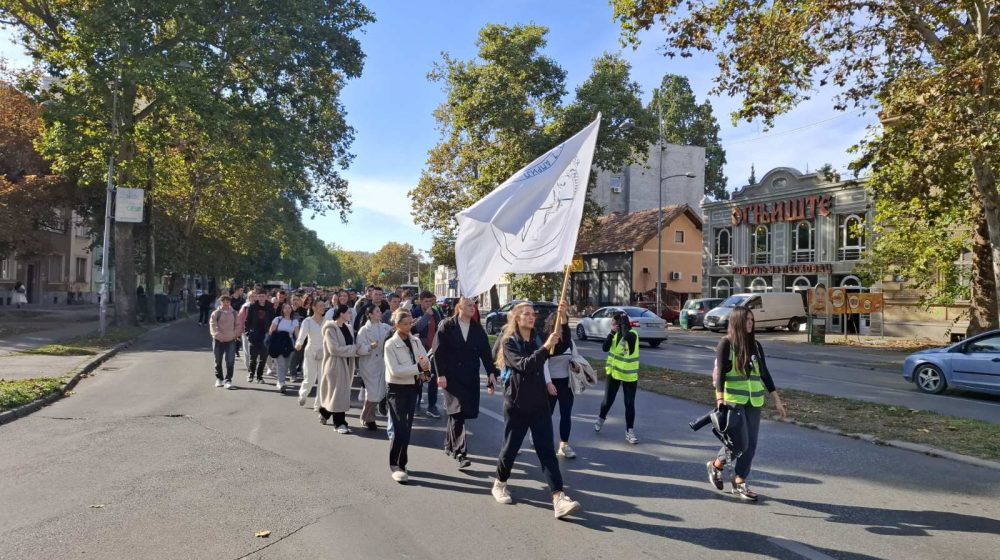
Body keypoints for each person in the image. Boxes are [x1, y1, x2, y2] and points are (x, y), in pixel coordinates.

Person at [491, 301, 581, 519]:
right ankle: (499, 483)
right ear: (517, 318)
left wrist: (564, 319)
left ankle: (558, 497)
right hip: (518, 404)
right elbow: (524, 365)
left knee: (546, 452)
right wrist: (543, 348)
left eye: (533, 314)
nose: (532, 317)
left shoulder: (538, 338)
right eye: (527, 314)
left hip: (539, 403)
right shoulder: (509, 342)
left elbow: (559, 347)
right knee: (510, 448)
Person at [706, 307, 786, 501]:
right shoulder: (725, 344)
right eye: (747, 320)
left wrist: (777, 399)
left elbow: (764, 373)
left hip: (754, 401)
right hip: (733, 401)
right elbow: (722, 376)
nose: (750, 323)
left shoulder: (756, 346)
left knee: (751, 445)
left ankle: (737, 478)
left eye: (752, 320)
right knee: (739, 443)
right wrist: (720, 399)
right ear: (737, 322)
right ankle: (719, 466)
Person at [433, 297, 498, 469]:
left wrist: (492, 372)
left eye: (474, 305)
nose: (473, 308)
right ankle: (460, 453)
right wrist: (441, 375)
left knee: (458, 413)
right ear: (459, 307)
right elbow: (438, 352)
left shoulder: (477, 329)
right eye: (469, 305)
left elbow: (485, 352)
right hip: (451, 377)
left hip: (470, 377)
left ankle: (449, 444)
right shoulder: (447, 326)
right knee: (458, 412)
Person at [384, 309, 431, 483]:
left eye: (410, 323)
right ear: (396, 325)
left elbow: (424, 361)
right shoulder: (390, 344)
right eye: (404, 323)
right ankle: (395, 465)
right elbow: (395, 370)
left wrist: (426, 372)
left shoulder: (416, 341)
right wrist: (418, 369)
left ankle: (403, 462)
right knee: (398, 427)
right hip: (396, 389)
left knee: (407, 426)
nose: (408, 326)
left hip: (412, 387)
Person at [595, 311, 641, 444]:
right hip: (614, 373)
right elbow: (604, 348)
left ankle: (629, 431)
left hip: (629, 375)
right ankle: (601, 418)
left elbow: (626, 338)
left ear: (622, 324)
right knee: (607, 401)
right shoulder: (613, 335)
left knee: (629, 403)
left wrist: (624, 326)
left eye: (615, 323)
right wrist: (611, 333)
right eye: (612, 324)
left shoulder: (632, 335)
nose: (613, 326)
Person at [542, 307, 576, 459]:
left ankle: (564, 445)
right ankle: (539, 436)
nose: (561, 331)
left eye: (563, 327)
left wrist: (576, 365)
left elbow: (575, 357)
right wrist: (549, 383)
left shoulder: (569, 342)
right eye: (559, 326)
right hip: (549, 383)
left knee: (566, 414)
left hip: (566, 384)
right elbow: (543, 364)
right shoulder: (547, 342)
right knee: (546, 414)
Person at [318, 304, 358, 433]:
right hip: (334, 365)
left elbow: (352, 345)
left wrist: (367, 347)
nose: (350, 315)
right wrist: (353, 349)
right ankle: (340, 423)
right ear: (341, 313)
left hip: (346, 364)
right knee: (339, 394)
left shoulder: (348, 328)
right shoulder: (330, 328)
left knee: (337, 393)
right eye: (348, 313)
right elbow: (333, 349)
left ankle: (324, 412)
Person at [356, 304, 392, 430]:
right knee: (372, 392)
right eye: (377, 311)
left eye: (380, 310)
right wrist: (370, 347)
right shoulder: (364, 330)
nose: (380, 312)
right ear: (370, 314)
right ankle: (368, 418)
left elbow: (395, 332)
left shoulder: (385, 327)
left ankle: (366, 416)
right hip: (369, 364)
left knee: (379, 392)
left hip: (381, 364)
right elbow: (359, 349)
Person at [413, 291, 443, 418]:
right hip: (421, 351)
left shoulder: (435, 312)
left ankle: (432, 406)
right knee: (420, 377)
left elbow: (440, 328)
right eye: (426, 301)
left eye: (431, 301)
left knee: (433, 378)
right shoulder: (415, 312)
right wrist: (426, 316)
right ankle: (416, 403)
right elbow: (415, 329)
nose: (429, 304)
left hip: (433, 350)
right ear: (420, 301)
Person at [295, 298, 327, 407]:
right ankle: (303, 395)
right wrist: (299, 343)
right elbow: (302, 334)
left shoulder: (327, 321)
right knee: (310, 378)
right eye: (320, 306)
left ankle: (318, 404)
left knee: (323, 379)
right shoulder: (307, 321)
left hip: (324, 352)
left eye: (324, 306)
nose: (323, 308)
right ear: (314, 308)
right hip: (311, 351)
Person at [241, 289, 275, 383]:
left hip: (265, 335)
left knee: (263, 357)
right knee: (253, 357)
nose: (261, 298)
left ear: (266, 296)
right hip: (254, 335)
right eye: (259, 296)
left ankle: (259, 376)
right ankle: (251, 374)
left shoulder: (270, 307)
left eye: (263, 296)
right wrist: (248, 333)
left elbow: (273, 320)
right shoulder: (252, 306)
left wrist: (271, 333)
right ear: (257, 297)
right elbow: (247, 321)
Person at [209, 295, 242, 389]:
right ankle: (219, 379)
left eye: (228, 302)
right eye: (224, 302)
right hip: (218, 340)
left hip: (230, 340)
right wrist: (217, 335)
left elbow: (238, 325)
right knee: (218, 360)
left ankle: (228, 380)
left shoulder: (234, 313)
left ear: (230, 303)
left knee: (230, 361)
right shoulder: (216, 313)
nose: (226, 303)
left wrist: (234, 335)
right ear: (221, 302)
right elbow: (213, 325)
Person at [268, 303, 300, 393]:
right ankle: (281, 382)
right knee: (281, 363)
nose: (287, 309)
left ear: (291, 309)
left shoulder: (295, 321)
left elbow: (297, 334)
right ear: (282, 310)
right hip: (279, 343)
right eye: (285, 308)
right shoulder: (277, 319)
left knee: (287, 364)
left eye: (289, 308)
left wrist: (299, 343)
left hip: (289, 343)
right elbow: (271, 331)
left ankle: (281, 379)